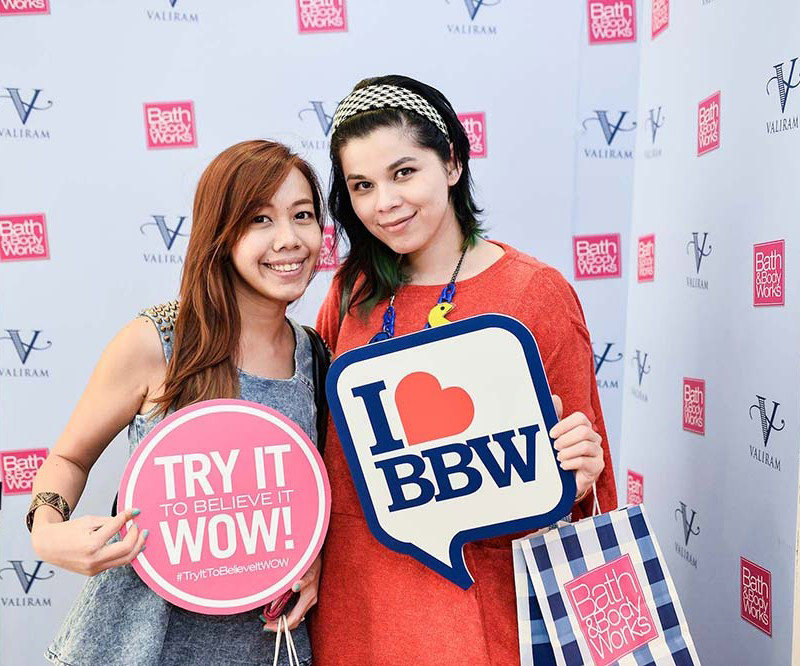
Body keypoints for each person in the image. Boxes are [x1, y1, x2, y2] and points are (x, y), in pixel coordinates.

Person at [310, 75, 617, 665]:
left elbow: (583, 483)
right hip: (356, 610)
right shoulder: (352, 291)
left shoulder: (534, 292)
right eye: (362, 185)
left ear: (451, 162)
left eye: (404, 172)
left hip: (483, 614)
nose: (384, 202)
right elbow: (322, 445)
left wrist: (576, 473)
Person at [29, 140, 326, 666]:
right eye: (260, 219)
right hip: (134, 648)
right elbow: (69, 459)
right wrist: (48, 534)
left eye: (302, 215)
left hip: (269, 648)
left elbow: (310, 499)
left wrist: (313, 558)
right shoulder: (160, 341)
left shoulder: (316, 356)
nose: (289, 239)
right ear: (221, 234)